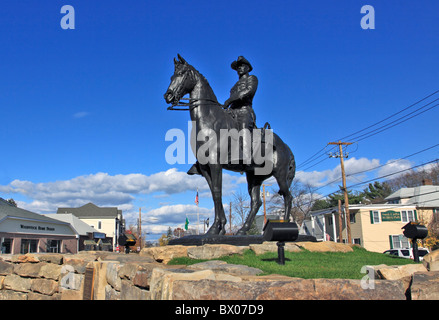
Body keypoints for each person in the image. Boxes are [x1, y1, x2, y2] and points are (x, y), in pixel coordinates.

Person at [223, 56, 258, 131]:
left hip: (243, 111)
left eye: (242, 66)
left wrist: (229, 101)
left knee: (243, 136)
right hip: (232, 112)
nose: (239, 68)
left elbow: (249, 90)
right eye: (238, 67)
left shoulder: (252, 78)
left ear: (248, 68)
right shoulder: (233, 87)